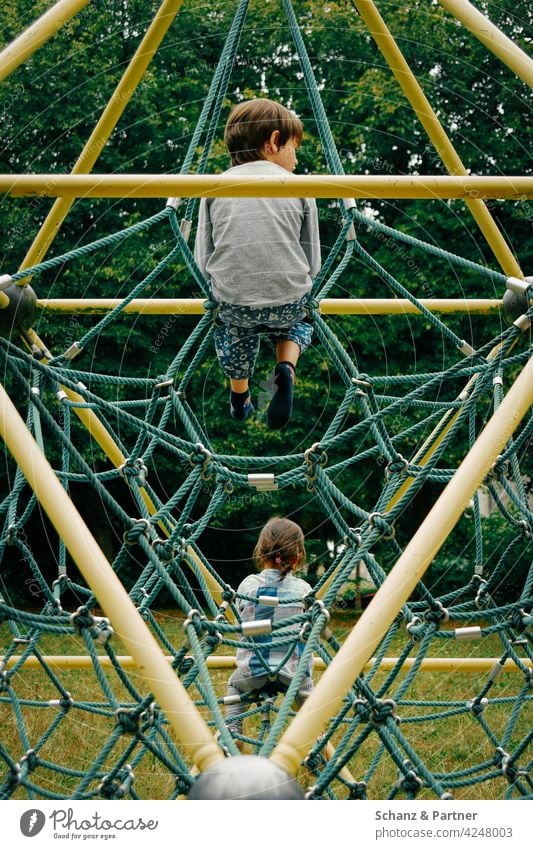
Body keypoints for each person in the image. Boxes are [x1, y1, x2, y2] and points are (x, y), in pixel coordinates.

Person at [194, 98, 321, 428]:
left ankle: (240, 395)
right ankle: (286, 367)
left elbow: (202, 260)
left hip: (236, 303)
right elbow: (313, 260)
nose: (296, 159)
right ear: (274, 142)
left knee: (231, 327)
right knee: (302, 318)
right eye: (293, 149)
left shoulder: (213, 188)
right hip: (287, 301)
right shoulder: (301, 188)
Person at [224, 517, 314, 746]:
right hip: (293, 675)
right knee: (306, 694)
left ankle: (233, 731)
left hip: (254, 672)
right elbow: (312, 629)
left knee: (234, 686)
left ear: (260, 553)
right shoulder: (304, 590)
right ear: (297, 557)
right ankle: (316, 740)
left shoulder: (247, 586)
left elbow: (241, 625)